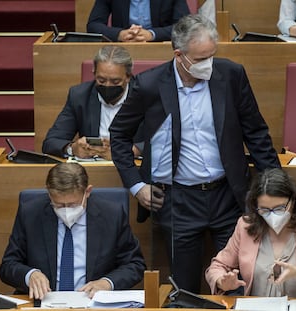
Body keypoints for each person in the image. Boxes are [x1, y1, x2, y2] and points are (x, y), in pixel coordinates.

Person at [109, 14, 281, 293]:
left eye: (212, 55)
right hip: (178, 200)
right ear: (180, 55)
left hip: (229, 195)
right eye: (201, 59)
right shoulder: (150, 85)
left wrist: (276, 186)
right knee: (185, 287)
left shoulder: (230, 75)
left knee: (235, 283)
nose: (208, 64)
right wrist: (136, 185)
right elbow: (119, 135)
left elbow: (256, 133)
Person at [0, 162, 146, 299]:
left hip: (93, 303)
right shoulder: (31, 213)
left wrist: (107, 283)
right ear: (49, 194)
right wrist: (29, 275)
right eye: (59, 205)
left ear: (87, 192)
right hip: (44, 302)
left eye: (72, 205)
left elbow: (135, 264)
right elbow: (8, 265)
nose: (66, 211)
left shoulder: (112, 214)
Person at [205, 168, 296, 298]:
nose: (272, 215)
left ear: (293, 201)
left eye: (279, 208)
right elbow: (217, 267)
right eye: (265, 210)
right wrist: (221, 281)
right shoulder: (245, 227)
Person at [42, 45, 141, 160]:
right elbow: (51, 142)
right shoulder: (80, 96)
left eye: (115, 81)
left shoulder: (145, 95)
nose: (107, 85)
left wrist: (130, 151)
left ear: (128, 77)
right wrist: (72, 148)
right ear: (94, 73)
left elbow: (163, 141)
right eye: (101, 80)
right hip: (92, 169)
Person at [86, 0, 190, 42]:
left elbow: (186, 26)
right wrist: (120, 34)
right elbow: (93, 25)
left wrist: (151, 34)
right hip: (122, 50)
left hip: (161, 49)